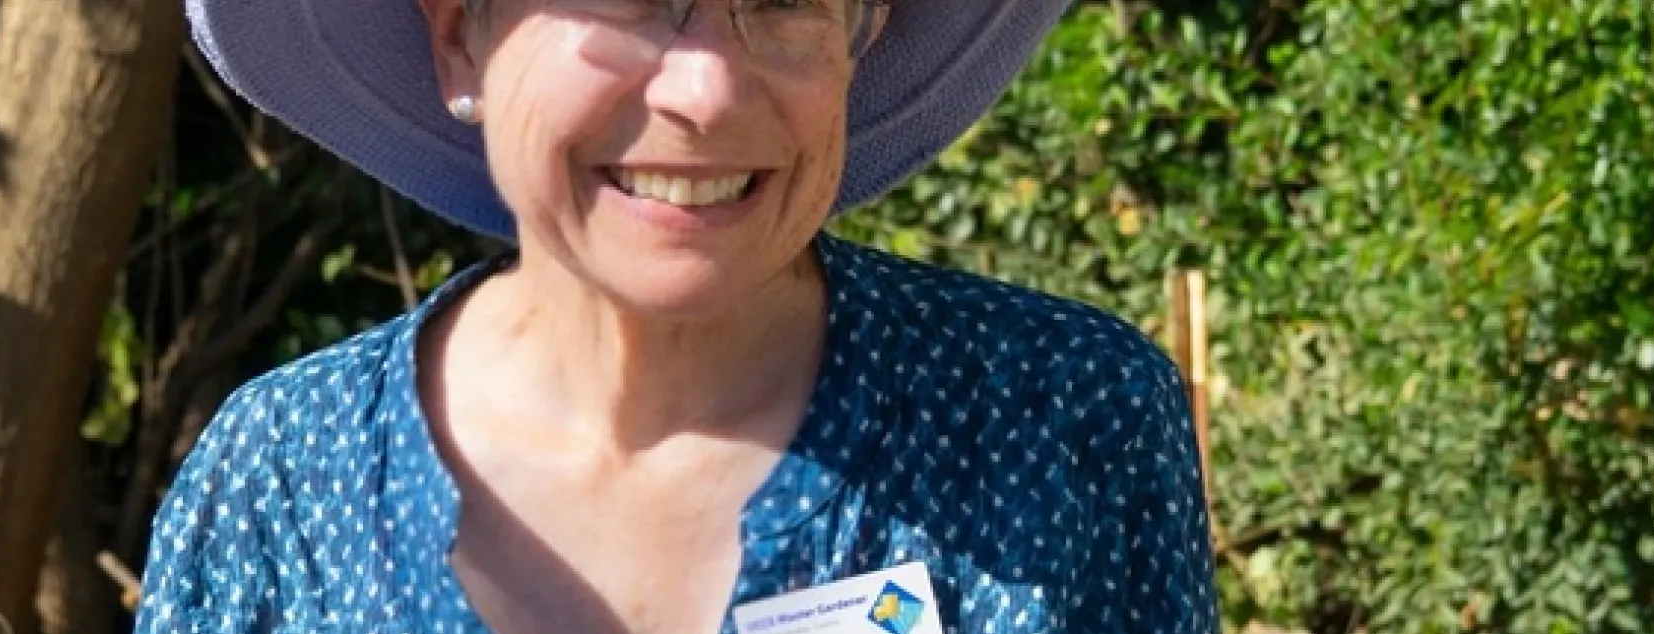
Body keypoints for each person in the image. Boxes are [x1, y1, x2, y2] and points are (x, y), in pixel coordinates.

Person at [138, 0, 1220, 630]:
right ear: (461, 37)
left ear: (861, 32)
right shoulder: (284, 476)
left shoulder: (1062, 418)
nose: (704, 90)